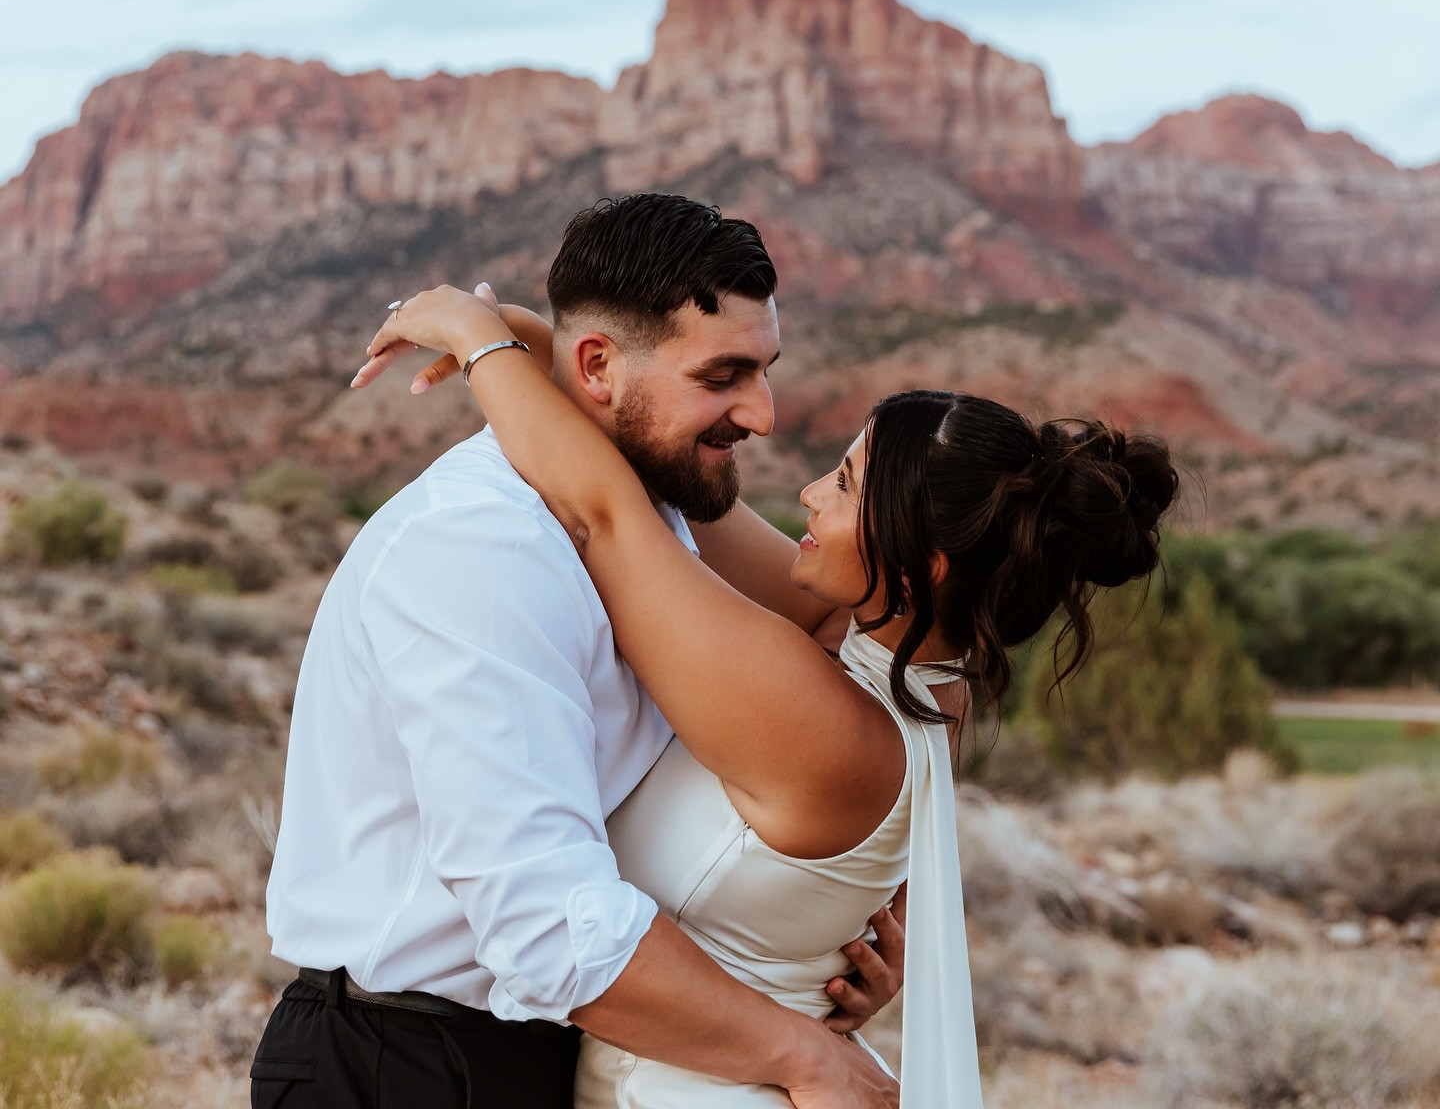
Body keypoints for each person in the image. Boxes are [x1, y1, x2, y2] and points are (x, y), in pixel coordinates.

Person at [363, 276, 1180, 1108]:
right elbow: (664, 478)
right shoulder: (929, 686)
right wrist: (554, 346)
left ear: (920, 563)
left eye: (847, 486)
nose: (810, 493)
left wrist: (479, 340)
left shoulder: (813, 713)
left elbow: (607, 513)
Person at [252, 195, 905, 1109]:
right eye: (722, 375)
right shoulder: (482, 549)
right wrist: (801, 1054)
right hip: (410, 1067)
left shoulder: (661, 518)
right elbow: (548, 930)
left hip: (571, 1042)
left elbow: (829, 642)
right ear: (596, 366)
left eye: (764, 370)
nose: (761, 413)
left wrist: (815, 938)